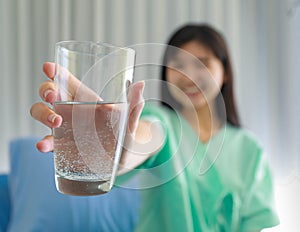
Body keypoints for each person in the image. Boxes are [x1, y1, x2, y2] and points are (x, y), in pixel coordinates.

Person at [30, 24, 279, 231]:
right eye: (178, 65)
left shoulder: (250, 149)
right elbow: (145, 138)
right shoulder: (161, 120)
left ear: (225, 72)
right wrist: (118, 147)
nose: (188, 75)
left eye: (202, 63)